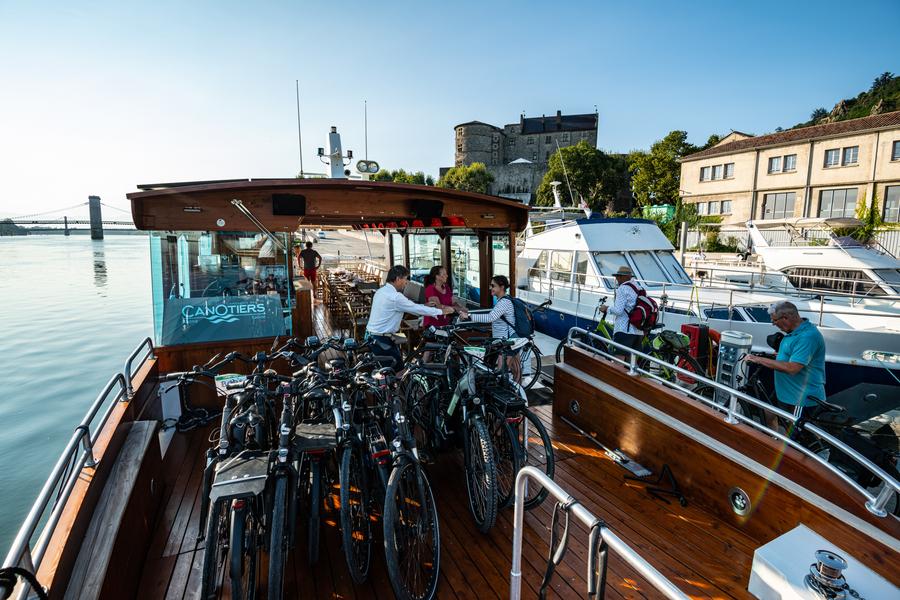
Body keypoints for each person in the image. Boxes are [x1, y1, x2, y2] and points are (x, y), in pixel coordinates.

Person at [744, 301, 826, 424]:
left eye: (774, 320)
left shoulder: (807, 337)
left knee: (794, 432)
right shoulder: (792, 331)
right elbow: (794, 354)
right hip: (783, 391)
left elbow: (793, 368)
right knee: (768, 415)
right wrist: (780, 356)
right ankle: (773, 436)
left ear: (785, 318)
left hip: (799, 398)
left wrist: (758, 359)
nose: (773, 324)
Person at [365, 265, 455, 369]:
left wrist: (423, 305)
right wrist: (441, 311)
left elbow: (410, 306)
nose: (406, 282)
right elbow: (415, 309)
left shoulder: (381, 291)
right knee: (398, 372)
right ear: (398, 279)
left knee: (391, 370)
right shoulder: (395, 297)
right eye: (405, 279)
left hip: (373, 335)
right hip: (381, 339)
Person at [462, 275, 522, 380]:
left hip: (508, 340)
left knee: (501, 371)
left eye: (493, 286)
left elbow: (490, 317)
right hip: (509, 338)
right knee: (515, 368)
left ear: (502, 287)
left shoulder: (504, 302)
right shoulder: (503, 300)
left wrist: (469, 316)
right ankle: (518, 388)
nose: (490, 288)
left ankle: (514, 389)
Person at [599, 265, 644, 354]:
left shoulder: (623, 288)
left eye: (618, 276)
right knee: (632, 360)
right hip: (638, 331)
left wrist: (606, 308)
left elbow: (618, 311)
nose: (617, 279)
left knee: (619, 359)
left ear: (624, 277)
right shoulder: (639, 288)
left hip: (624, 329)